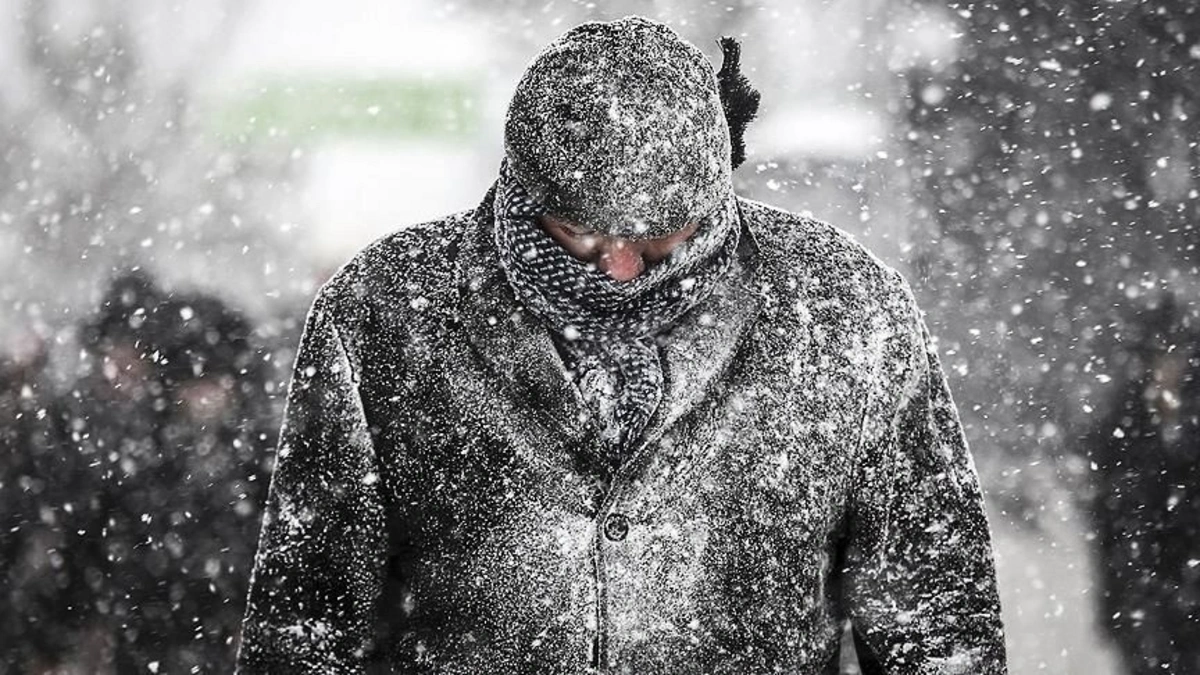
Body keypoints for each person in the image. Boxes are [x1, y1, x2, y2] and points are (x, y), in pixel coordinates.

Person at [237, 16, 1007, 674]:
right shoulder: (385, 311)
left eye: (660, 237)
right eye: (579, 233)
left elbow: (936, 616)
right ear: (522, 190)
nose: (622, 268)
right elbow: (308, 616)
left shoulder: (844, 310)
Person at [1085, 293, 1200, 675]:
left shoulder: (1187, 417)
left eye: (1178, 355)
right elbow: (1107, 520)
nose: (1170, 367)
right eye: (1161, 355)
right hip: (1142, 595)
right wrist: (1110, 601)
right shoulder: (1123, 424)